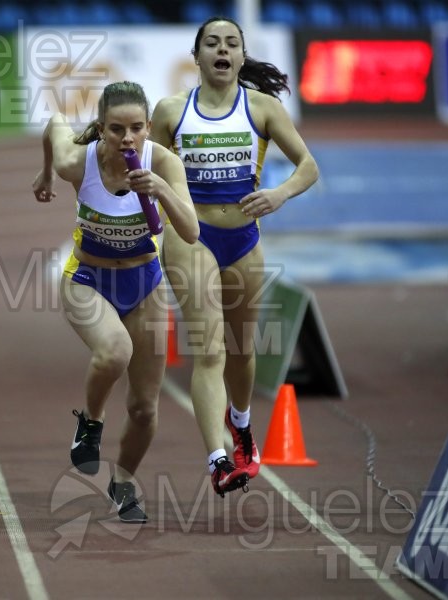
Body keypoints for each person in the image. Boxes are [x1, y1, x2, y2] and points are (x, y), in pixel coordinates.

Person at [150, 17, 319, 497]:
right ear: (197, 56)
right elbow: (145, 170)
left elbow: (309, 167)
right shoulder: (170, 111)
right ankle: (218, 457)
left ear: (242, 57)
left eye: (231, 43)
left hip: (244, 239)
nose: (222, 49)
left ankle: (240, 423)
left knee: (243, 351)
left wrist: (280, 193)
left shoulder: (262, 109)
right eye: (212, 43)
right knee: (211, 351)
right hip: (190, 237)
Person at [32, 81, 199, 522]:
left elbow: (192, 232)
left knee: (144, 408)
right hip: (87, 278)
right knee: (114, 351)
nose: (128, 139)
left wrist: (161, 188)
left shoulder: (162, 161)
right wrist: (48, 172)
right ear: (101, 129)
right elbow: (53, 125)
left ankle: (123, 481)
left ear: (148, 128)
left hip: (144, 284)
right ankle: (90, 422)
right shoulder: (79, 162)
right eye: (116, 130)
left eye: (137, 128)